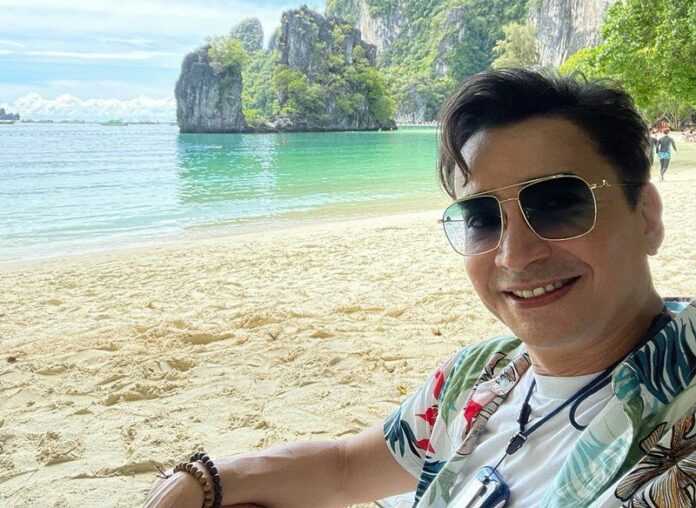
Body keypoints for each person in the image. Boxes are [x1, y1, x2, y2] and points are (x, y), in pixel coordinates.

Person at [145, 69, 696, 508]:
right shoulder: (482, 375)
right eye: (482, 217)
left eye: (558, 203)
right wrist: (203, 479)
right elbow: (345, 468)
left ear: (646, 216)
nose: (514, 254)